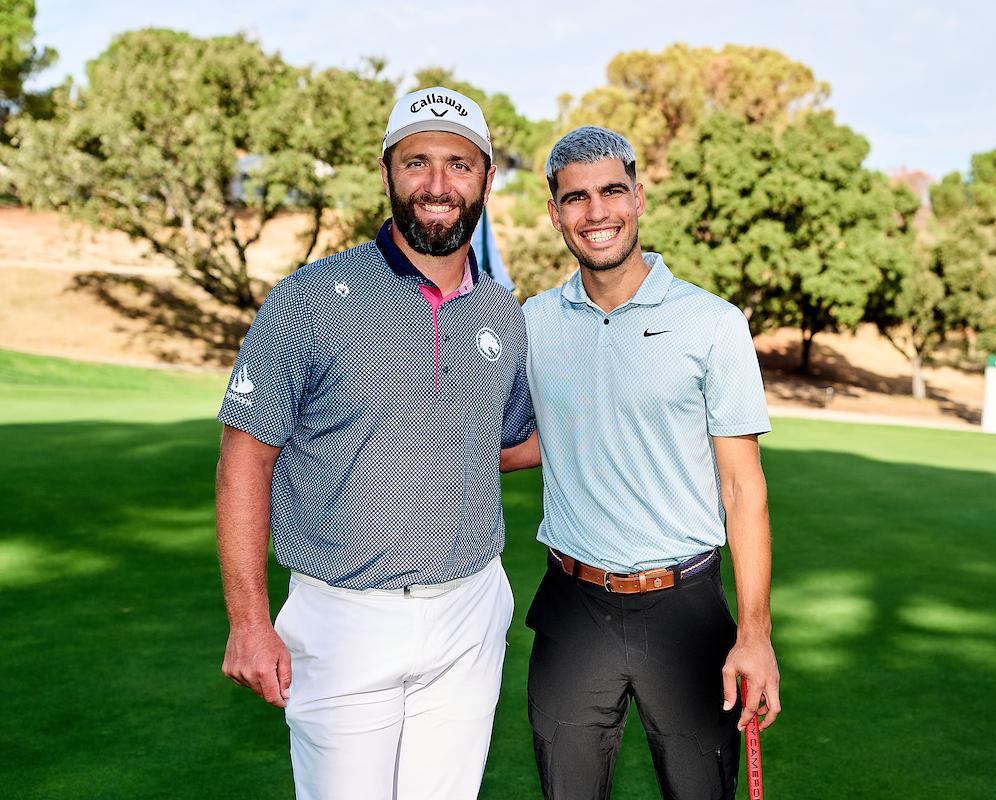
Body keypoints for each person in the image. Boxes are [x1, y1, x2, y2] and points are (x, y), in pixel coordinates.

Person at [214, 86, 534, 800]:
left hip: (469, 612)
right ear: (387, 173)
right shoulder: (309, 298)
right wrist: (248, 621)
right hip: (342, 617)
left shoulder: (504, 315)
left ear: (485, 178)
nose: (438, 185)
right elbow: (245, 459)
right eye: (416, 162)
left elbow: (506, 442)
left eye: (459, 164)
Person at [506, 126, 780, 799]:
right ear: (554, 212)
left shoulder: (713, 323)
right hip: (573, 608)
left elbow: (743, 490)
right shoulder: (533, 322)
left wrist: (755, 634)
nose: (596, 212)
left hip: (684, 609)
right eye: (575, 198)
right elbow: (536, 439)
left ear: (639, 196)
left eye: (611, 191)